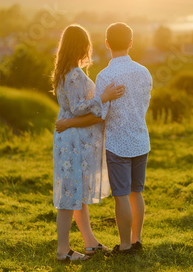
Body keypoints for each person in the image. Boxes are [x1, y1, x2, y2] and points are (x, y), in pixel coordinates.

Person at [51, 24, 125, 262]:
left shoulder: (65, 72)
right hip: (72, 141)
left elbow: (71, 110)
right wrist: (103, 97)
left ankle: (90, 243)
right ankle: (63, 251)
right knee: (69, 196)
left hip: (71, 138)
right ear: (81, 46)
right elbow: (76, 109)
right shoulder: (73, 74)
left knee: (76, 194)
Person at [95, 22, 153, 255]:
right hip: (140, 140)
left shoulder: (104, 75)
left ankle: (125, 245)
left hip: (117, 144)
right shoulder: (144, 72)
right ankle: (136, 240)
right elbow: (144, 104)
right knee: (136, 192)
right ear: (131, 43)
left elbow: (101, 113)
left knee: (121, 196)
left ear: (107, 43)